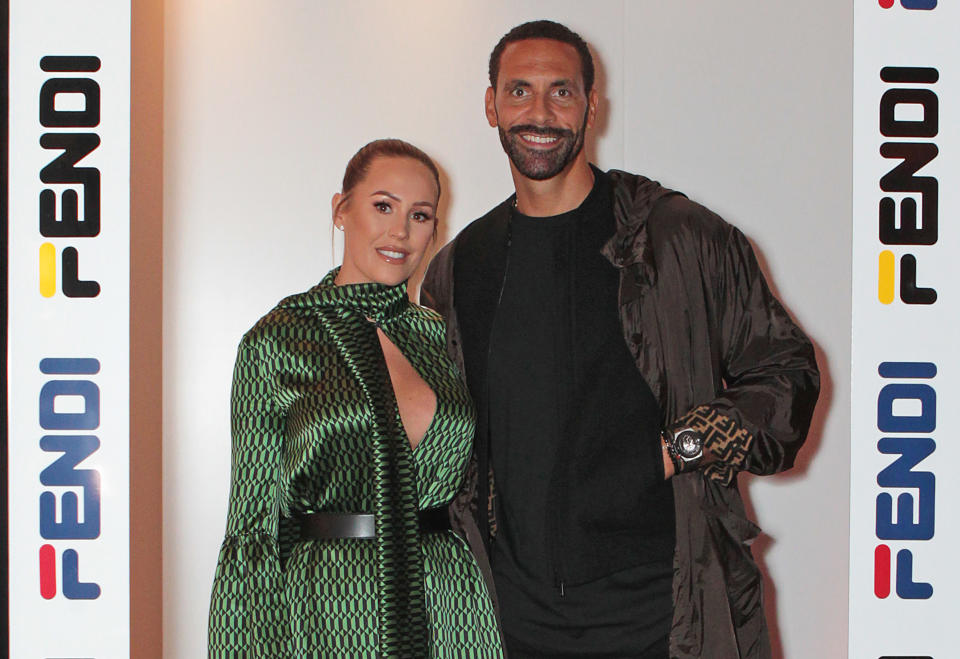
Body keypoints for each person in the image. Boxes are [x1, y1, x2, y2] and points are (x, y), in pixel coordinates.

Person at [422, 20, 820, 659]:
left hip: (659, 613)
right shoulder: (460, 265)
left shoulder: (675, 237)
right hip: (511, 620)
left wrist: (681, 446)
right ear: (491, 104)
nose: (540, 112)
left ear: (590, 106)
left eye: (562, 92)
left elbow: (785, 375)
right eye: (519, 92)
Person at [208, 139, 504, 658]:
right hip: (328, 606)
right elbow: (251, 528)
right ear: (341, 211)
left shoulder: (444, 340)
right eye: (383, 206)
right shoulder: (276, 341)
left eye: (420, 215)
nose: (400, 232)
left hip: (447, 603)